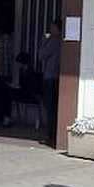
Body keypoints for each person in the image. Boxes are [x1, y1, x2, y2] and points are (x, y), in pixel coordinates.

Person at [38, 18, 62, 147]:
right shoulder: (62, 42)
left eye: (52, 27)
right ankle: (53, 134)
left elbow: (41, 55)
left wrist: (44, 41)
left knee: (50, 109)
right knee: (55, 108)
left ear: (57, 28)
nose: (50, 29)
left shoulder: (53, 41)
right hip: (58, 77)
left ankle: (50, 136)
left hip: (50, 77)